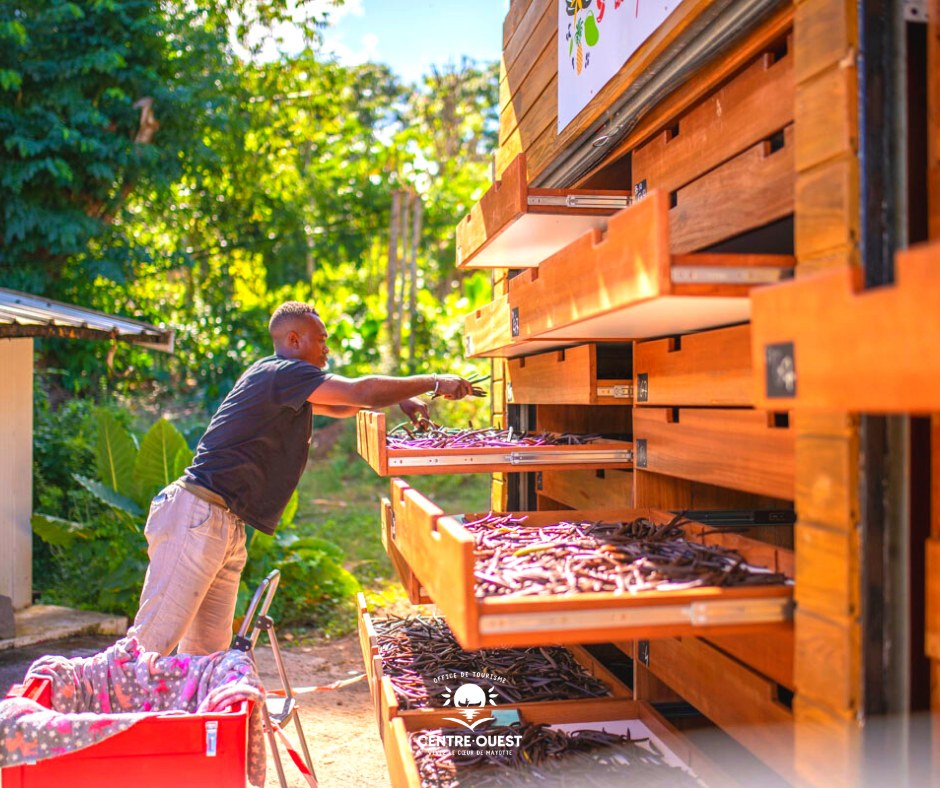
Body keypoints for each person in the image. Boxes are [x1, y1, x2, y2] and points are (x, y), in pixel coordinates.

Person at [128, 301, 474, 656]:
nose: (327, 348)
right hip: (198, 515)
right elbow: (360, 392)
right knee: (150, 645)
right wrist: (435, 381)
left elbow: (343, 405)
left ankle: (194, 712)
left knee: (206, 656)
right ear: (294, 340)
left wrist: (401, 398)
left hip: (223, 523)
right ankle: (105, 706)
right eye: (320, 339)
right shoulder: (283, 373)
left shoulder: (281, 380)